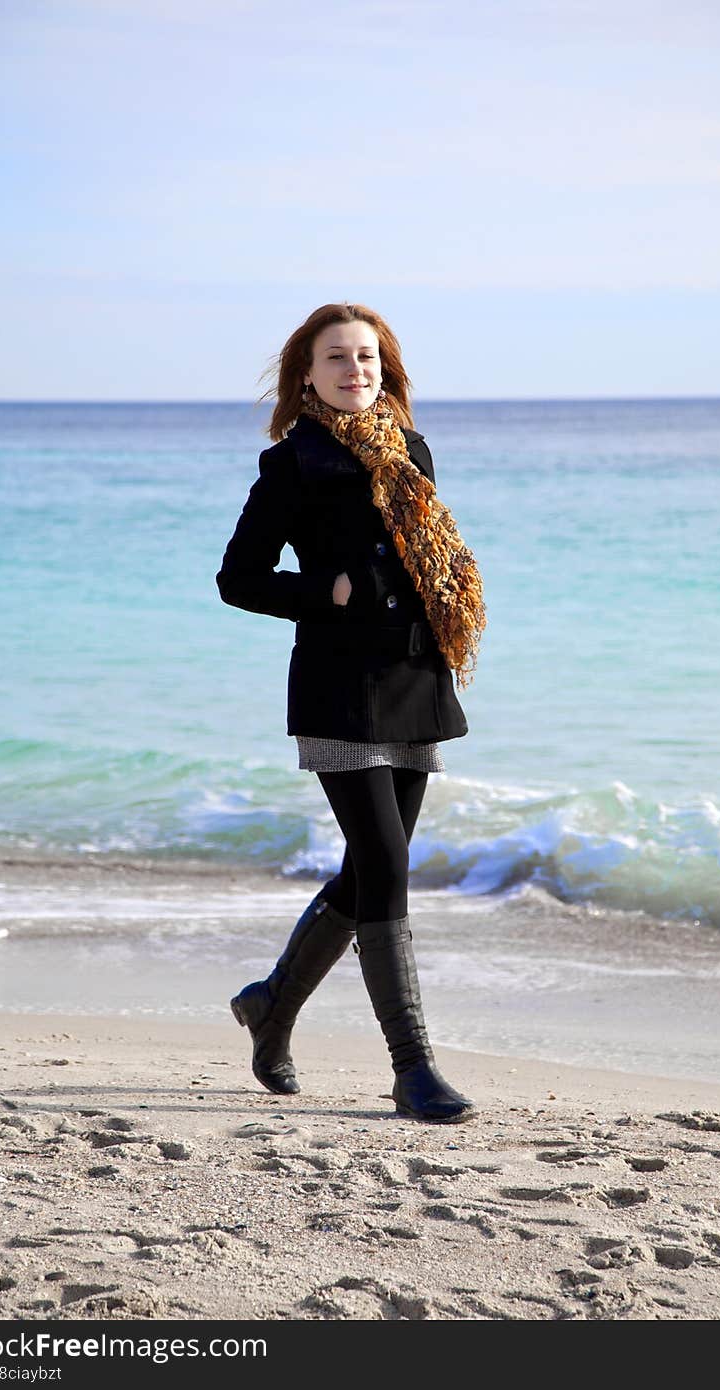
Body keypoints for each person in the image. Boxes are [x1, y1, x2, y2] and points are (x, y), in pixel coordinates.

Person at [216, 302, 486, 1123]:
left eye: (367, 357)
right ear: (308, 374)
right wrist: (324, 592)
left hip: (416, 678)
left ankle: (272, 1007)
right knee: (388, 865)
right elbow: (238, 578)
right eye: (337, 358)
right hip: (339, 687)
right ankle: (413, 1068)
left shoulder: (411, 450)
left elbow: (425, 558)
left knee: (370, 867)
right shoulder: (291, 464)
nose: (355, 370)